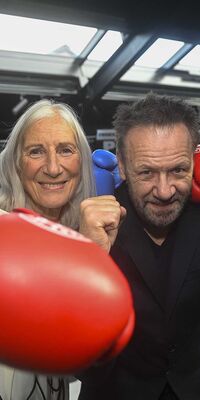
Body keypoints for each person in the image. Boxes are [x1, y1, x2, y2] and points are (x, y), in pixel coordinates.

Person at [77, 93, 200, 400]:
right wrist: (89, 261)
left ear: (194, 162)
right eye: (147, 172)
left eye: (178, 170)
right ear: (123, 167)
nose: (165, 191)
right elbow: (79, 362)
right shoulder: (95, 228)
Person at [0, 98, 96, 400]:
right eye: (36, 151)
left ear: (81, 160)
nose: (53, 168)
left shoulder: (78, 235)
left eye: (65, 150)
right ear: (16, 161)